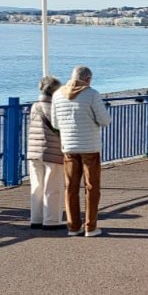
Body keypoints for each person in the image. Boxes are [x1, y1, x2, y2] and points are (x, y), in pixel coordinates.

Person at [52, 65, 112, 237]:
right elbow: (104, 120)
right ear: (87, 79)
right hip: (89, 147)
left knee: (71, 187)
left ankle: (73, 226)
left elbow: (55, 124)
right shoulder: (91, 94)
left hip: (69, 147)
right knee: (92, 187)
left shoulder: (57, 95)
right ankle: (90, 227)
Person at [26, 75, 65, 231]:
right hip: (53, 152)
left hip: (34, 151)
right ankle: (51, 220)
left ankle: (36, 219)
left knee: (36, 186)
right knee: (53, 187)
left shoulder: (35, 106)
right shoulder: (56, 107)